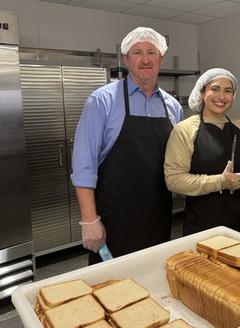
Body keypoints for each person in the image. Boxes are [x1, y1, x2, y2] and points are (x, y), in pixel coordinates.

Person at [71, 27, 184, 264]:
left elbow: (178, 163)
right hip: (113, 219)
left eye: (151, 52)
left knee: (153, 279)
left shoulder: (173, 107)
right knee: (112, 290)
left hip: (158, 215)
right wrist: (90, 220)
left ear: (160, 58)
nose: (145, 59)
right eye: (137, 52)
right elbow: (84, 166)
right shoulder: (102, 101)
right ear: (125, 59)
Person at [164, 68, 240, 235]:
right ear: (202, 93)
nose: (222, 96)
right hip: (206, 225)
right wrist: (220, 182)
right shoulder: (184, 130)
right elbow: (174, 180)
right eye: (215, 89)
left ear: (233, 96)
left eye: (228, 91)